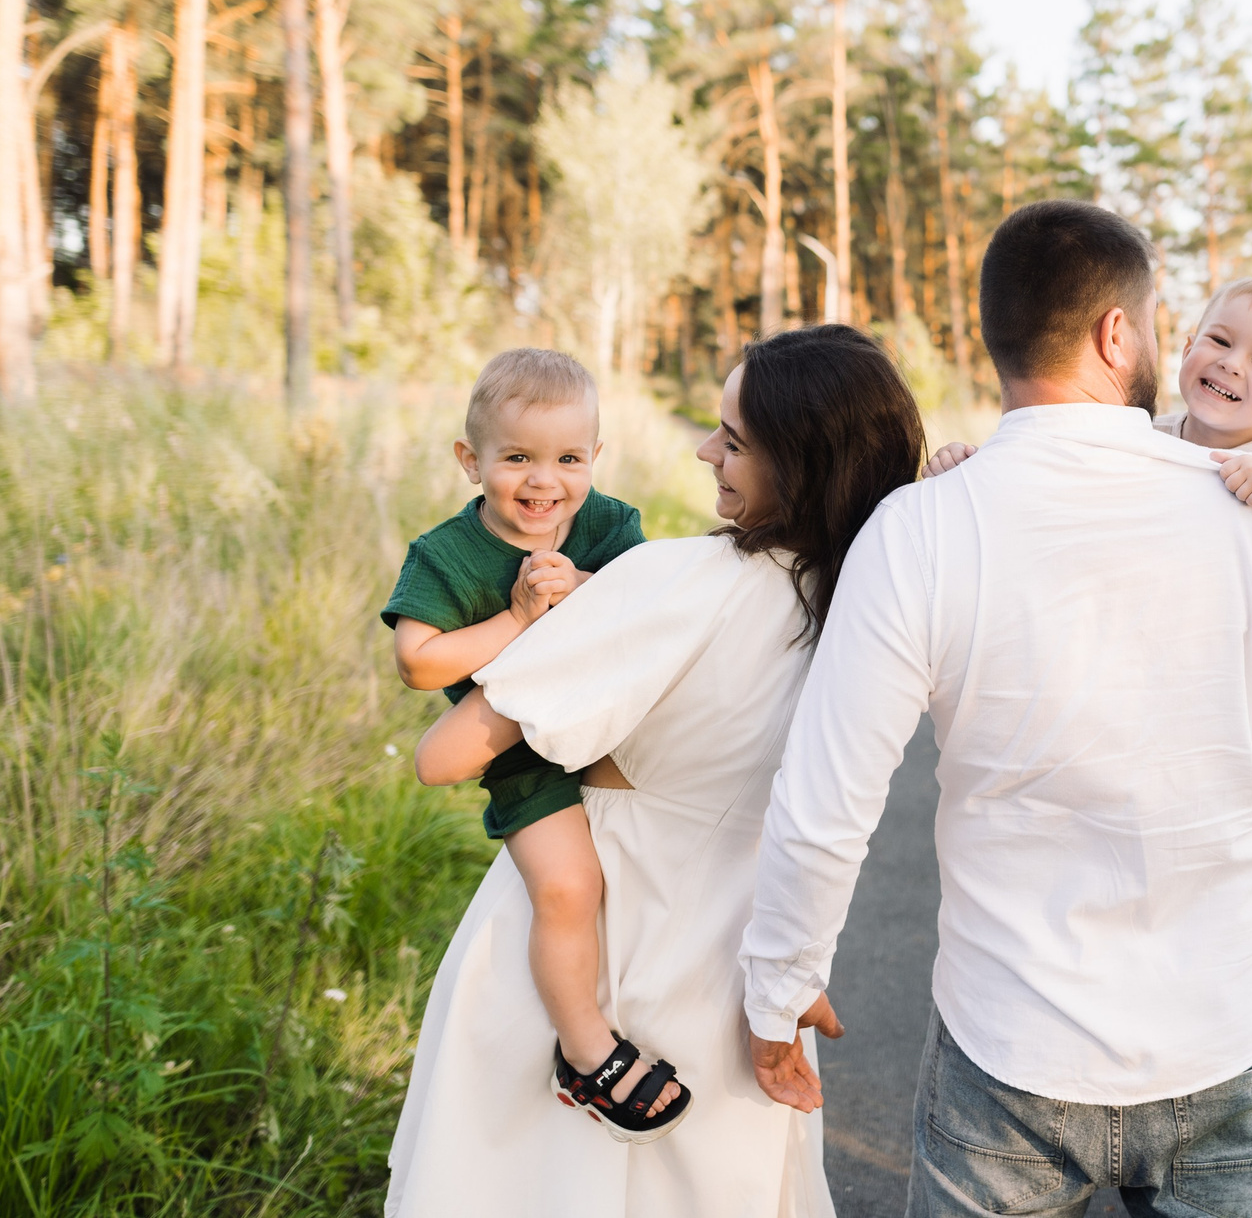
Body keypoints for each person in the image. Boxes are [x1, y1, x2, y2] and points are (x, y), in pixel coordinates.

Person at [740, 200, 1252, 1218]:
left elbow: (828, 797)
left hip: (1013, 1045)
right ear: (1115, 333)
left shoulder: (922, 526)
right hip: (1226, 1025)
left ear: (999, 334)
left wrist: (778, 985)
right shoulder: (1249, 503)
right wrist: (1198, 736)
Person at [385, 324, 926, 1218]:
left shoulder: (669, 581)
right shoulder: (873, 603)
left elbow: (440, 757)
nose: (704, 448)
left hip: (602, 932)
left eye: (734, 438)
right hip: (739, 952)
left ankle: (583, 1054)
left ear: (797, 462)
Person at [382, 347, 682, 1136]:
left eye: (568, 458)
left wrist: (580, 590)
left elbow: (646, 607)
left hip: (618, 734)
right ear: (469, 460)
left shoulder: (608, 524)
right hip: (526, 757)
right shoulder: (445, 554)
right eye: (517, 457)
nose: (543, 481)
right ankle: (586, 1052)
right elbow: (418, 661)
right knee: (569, 888)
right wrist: (517, 621)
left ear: (595, 459)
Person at [928, 276, 1252, 581]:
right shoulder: (1148, 434)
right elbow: (1059, 470)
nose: (1231, 363)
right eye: (1219, 340)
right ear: (1187, 349)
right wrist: (973, 468)